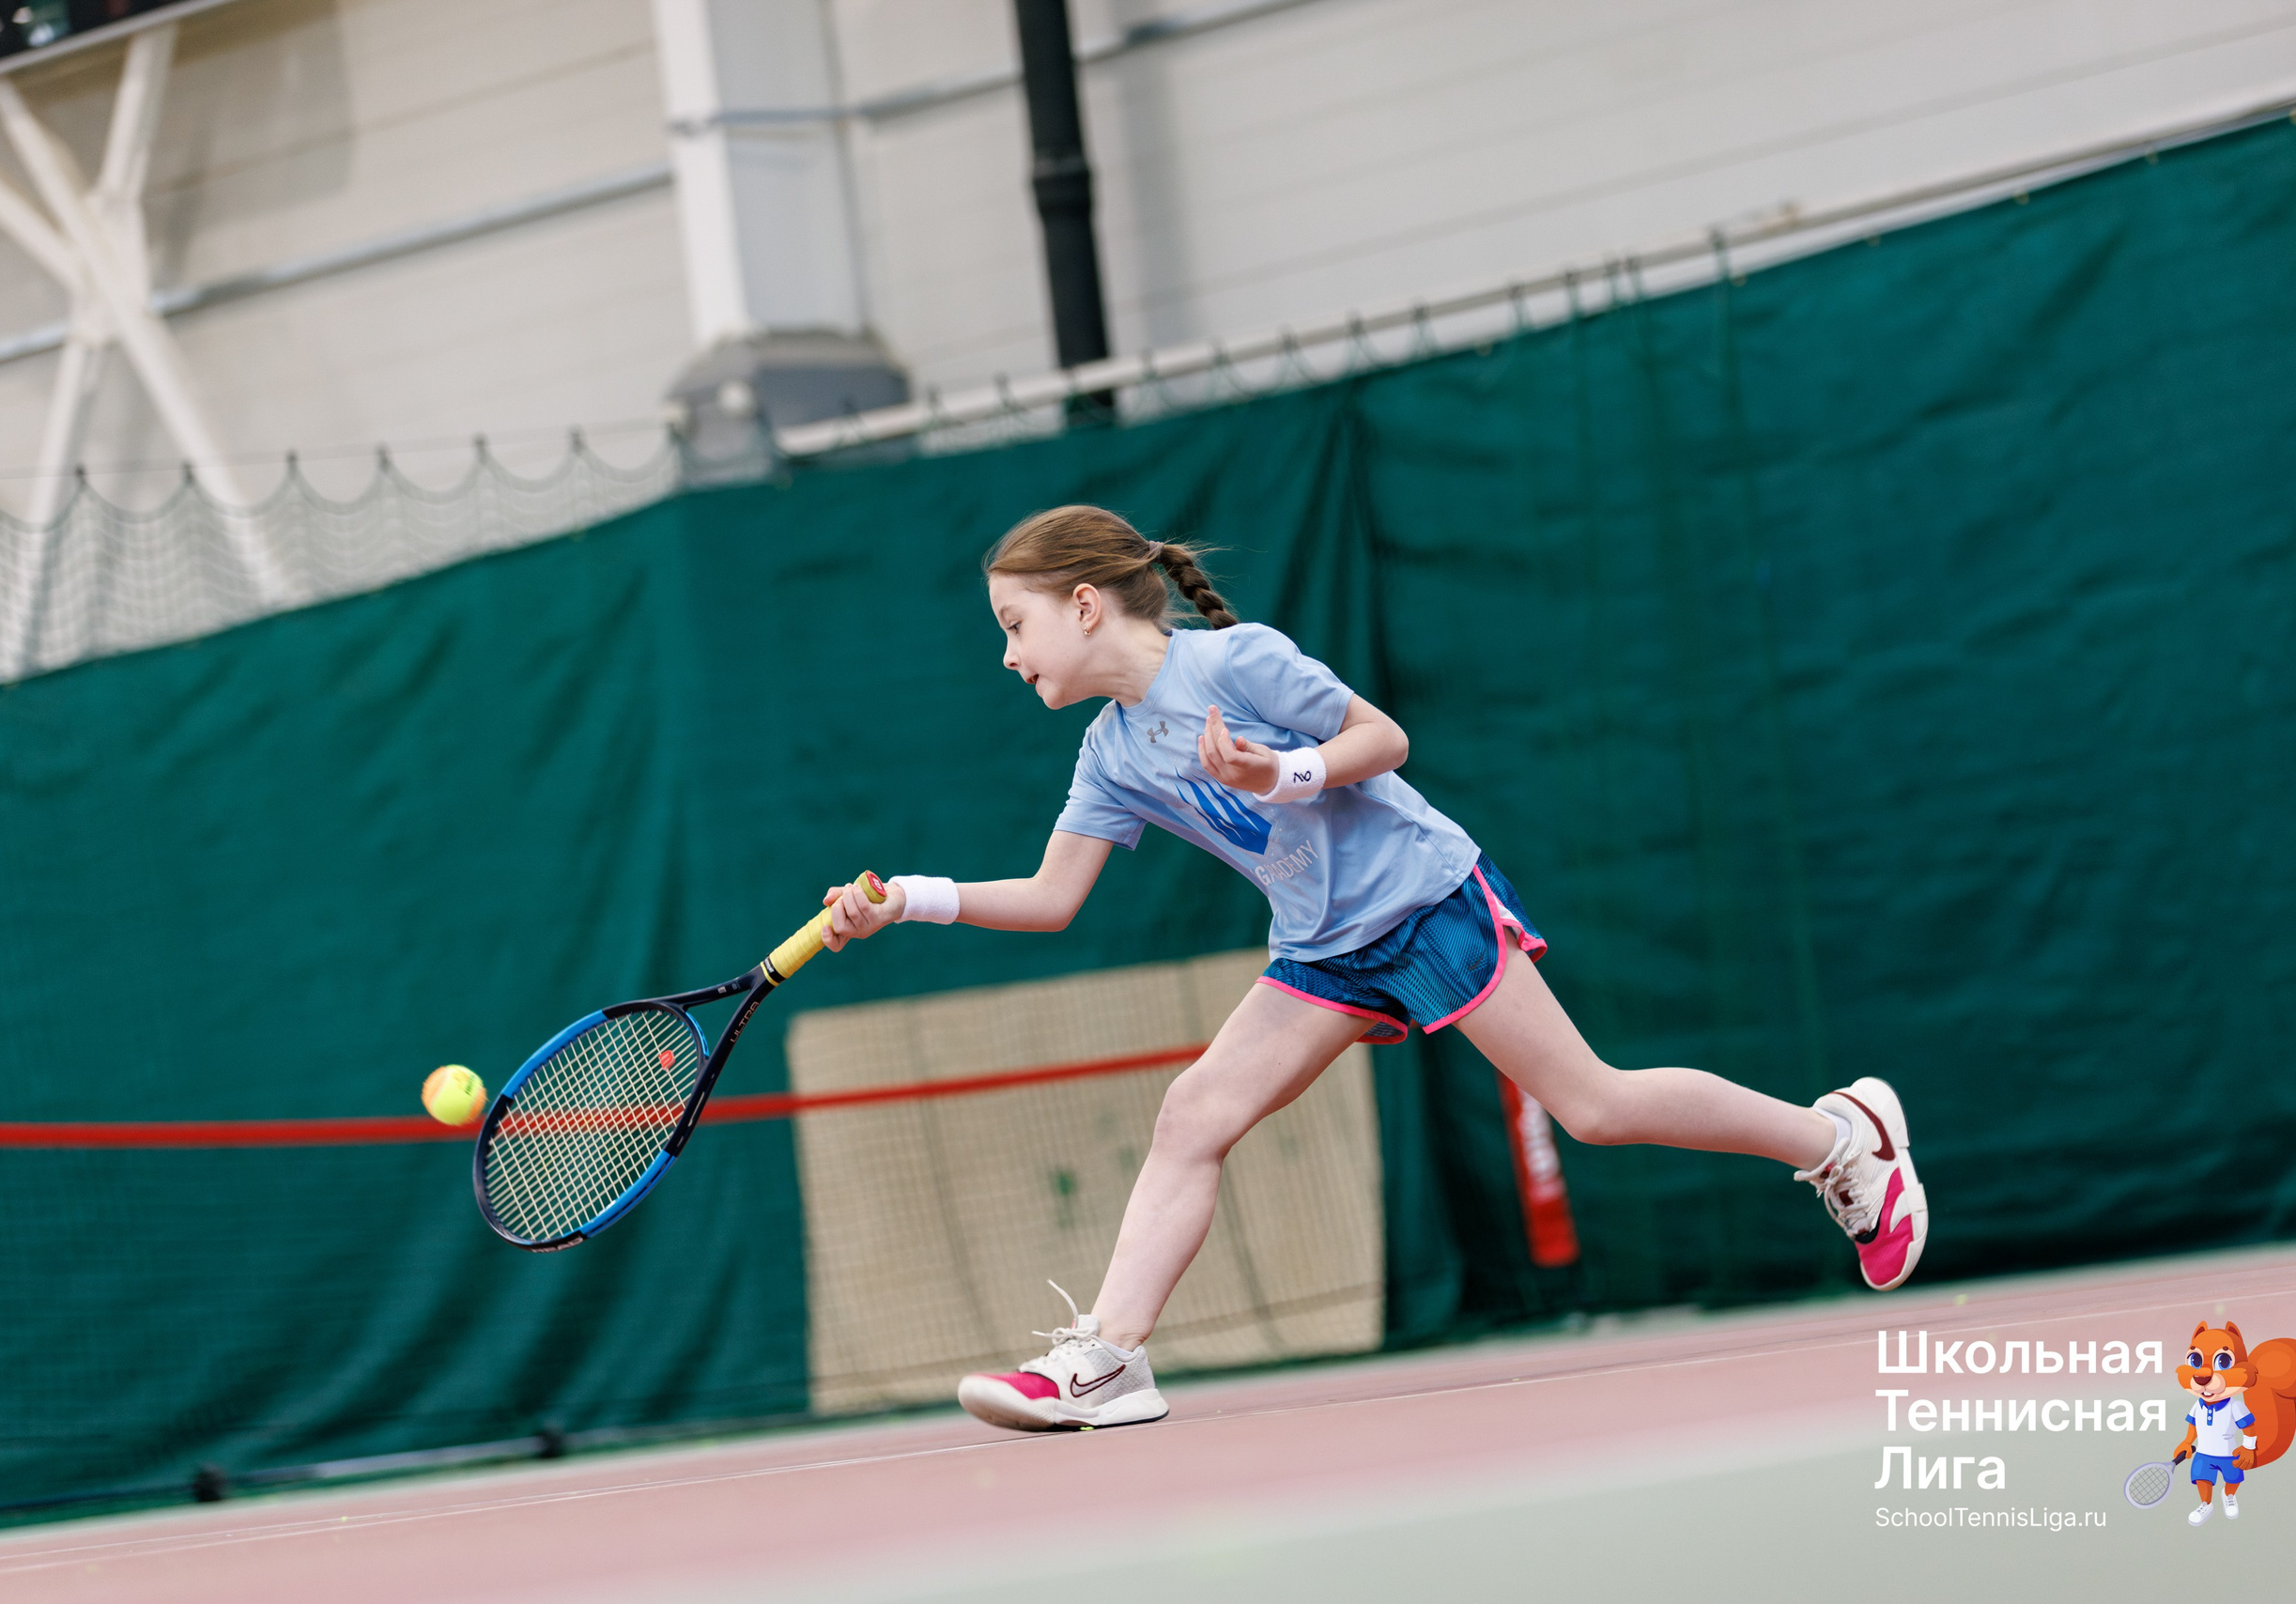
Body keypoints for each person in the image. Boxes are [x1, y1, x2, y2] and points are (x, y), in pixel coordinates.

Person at [820, 504, 1928, 1432]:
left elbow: (1382, 739)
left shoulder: (1236, 660)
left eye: (1014, 625)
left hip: (1423, 898)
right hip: (1321, 949)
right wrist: (905, 902)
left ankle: (1841, 1141)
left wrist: (1281, 770)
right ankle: (1109, 1360)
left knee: (1592, 1107)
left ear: (1083, 603)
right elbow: (1053, 898)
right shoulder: (1109, 750)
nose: (1007, 654)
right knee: (1191, 1113)